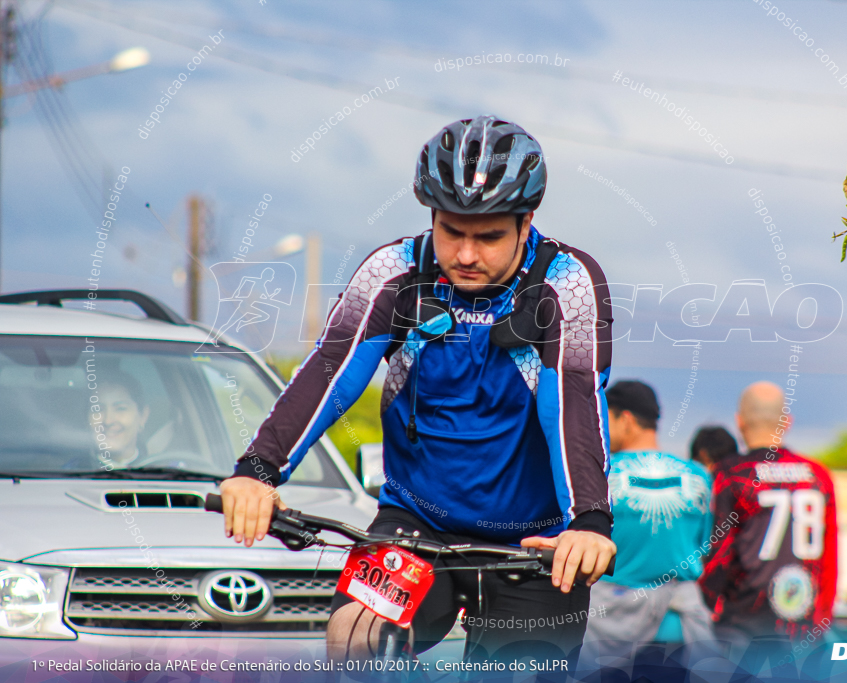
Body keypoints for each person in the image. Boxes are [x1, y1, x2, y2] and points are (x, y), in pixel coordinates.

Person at [217, 115, 616, 667]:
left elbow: (571, 401)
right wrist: (257, 471)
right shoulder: (395, 271)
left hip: (535, 542)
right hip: (413, 526)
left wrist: (590, 522)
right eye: (453, 231)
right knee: (355, 638)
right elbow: (330, 371)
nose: (467, 255)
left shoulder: (567, 283)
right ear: (431, 217)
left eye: (489, 236)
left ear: (527, 223)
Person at [698, 381, 837, 657]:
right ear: (787, 422)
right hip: (802, 629)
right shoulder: (818, 476)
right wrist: (820, 620)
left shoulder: (730, 474)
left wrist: (711, 607)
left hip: (741, 627)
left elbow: (716, 554)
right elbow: (830, 557)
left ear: (740, 422)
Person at [582, 380, 715, 656]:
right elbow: (704, 544)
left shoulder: (601, 475)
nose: (602, 428)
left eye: (607, 419)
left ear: (626, 420)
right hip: (681, 628)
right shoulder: (699, 476)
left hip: (608, 627)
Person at [88, 372, 150, 469]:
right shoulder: (70, 475)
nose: (108, 421)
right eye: (98, 409)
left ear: (143, 416)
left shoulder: (166, 474)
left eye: (120, 408)